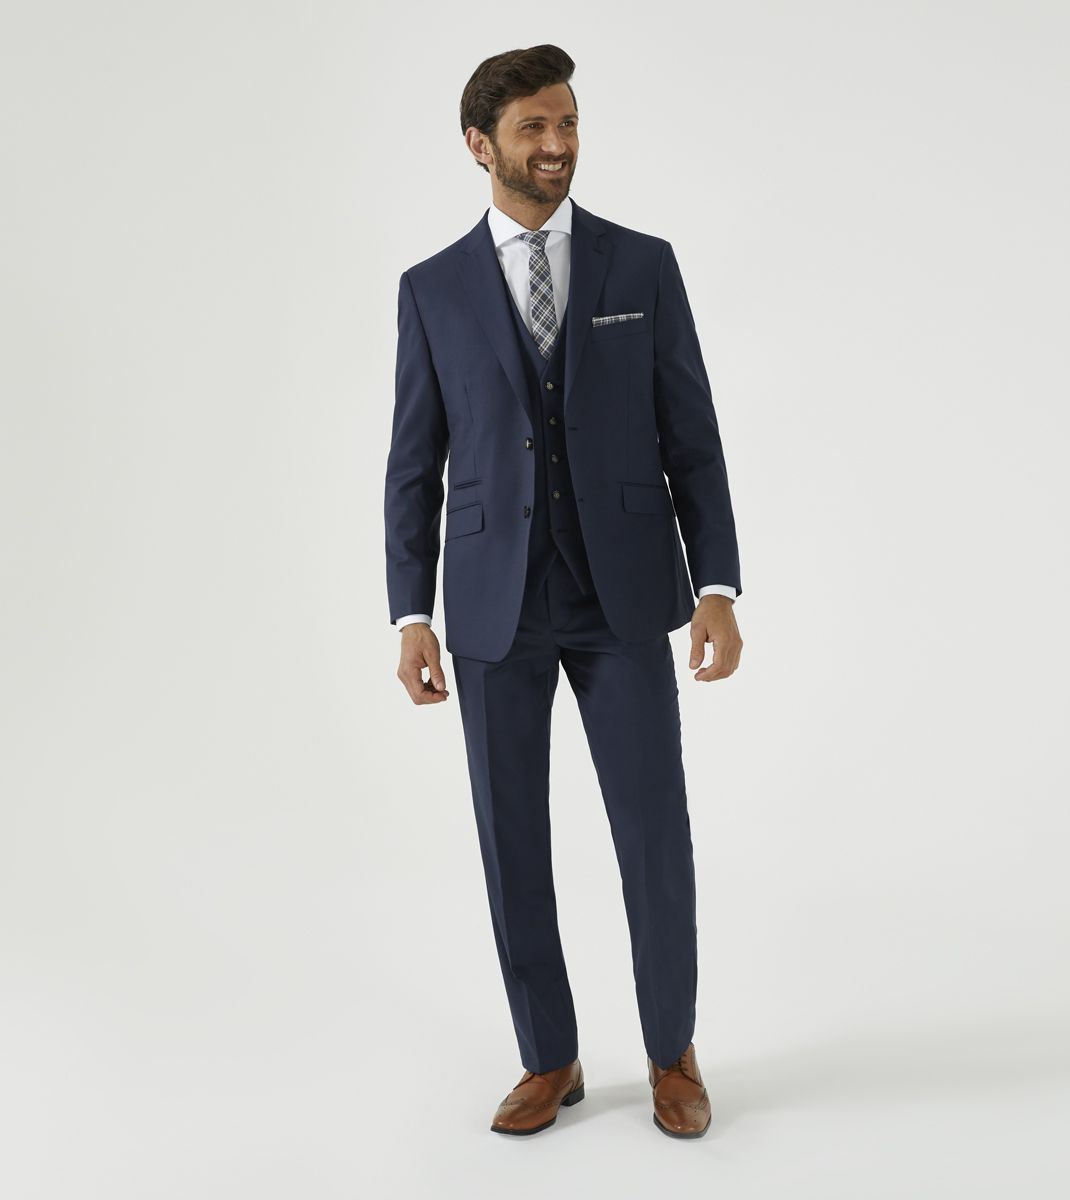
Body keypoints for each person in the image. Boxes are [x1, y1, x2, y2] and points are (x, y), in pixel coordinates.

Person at [383, 44, 743, 1139]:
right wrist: (411, 613)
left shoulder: (642, 266)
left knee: (653, 833)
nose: (557, 145)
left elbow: (692, 437)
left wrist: (717, 584)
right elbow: (413, 463)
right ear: (478, 144)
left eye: (568, 123)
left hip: (621, 595)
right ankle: (549, 1057)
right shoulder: (431, 289)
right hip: (492, 604)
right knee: (512, 843)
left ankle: (672, 1052)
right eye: (533, 128)